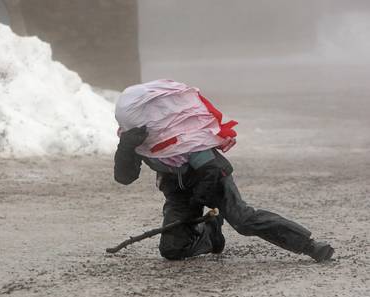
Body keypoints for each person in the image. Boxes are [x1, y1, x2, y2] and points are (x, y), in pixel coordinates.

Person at [113, 79, 334, 262]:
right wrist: (125, 148)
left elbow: (210, 170)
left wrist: (200, 198)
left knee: (244, 220)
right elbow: (124, 178)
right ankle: (210, 235)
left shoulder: (186, 138)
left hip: (214, 182)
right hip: (179, 194)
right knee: (172, 250)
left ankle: (310, 245)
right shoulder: (137, 141)